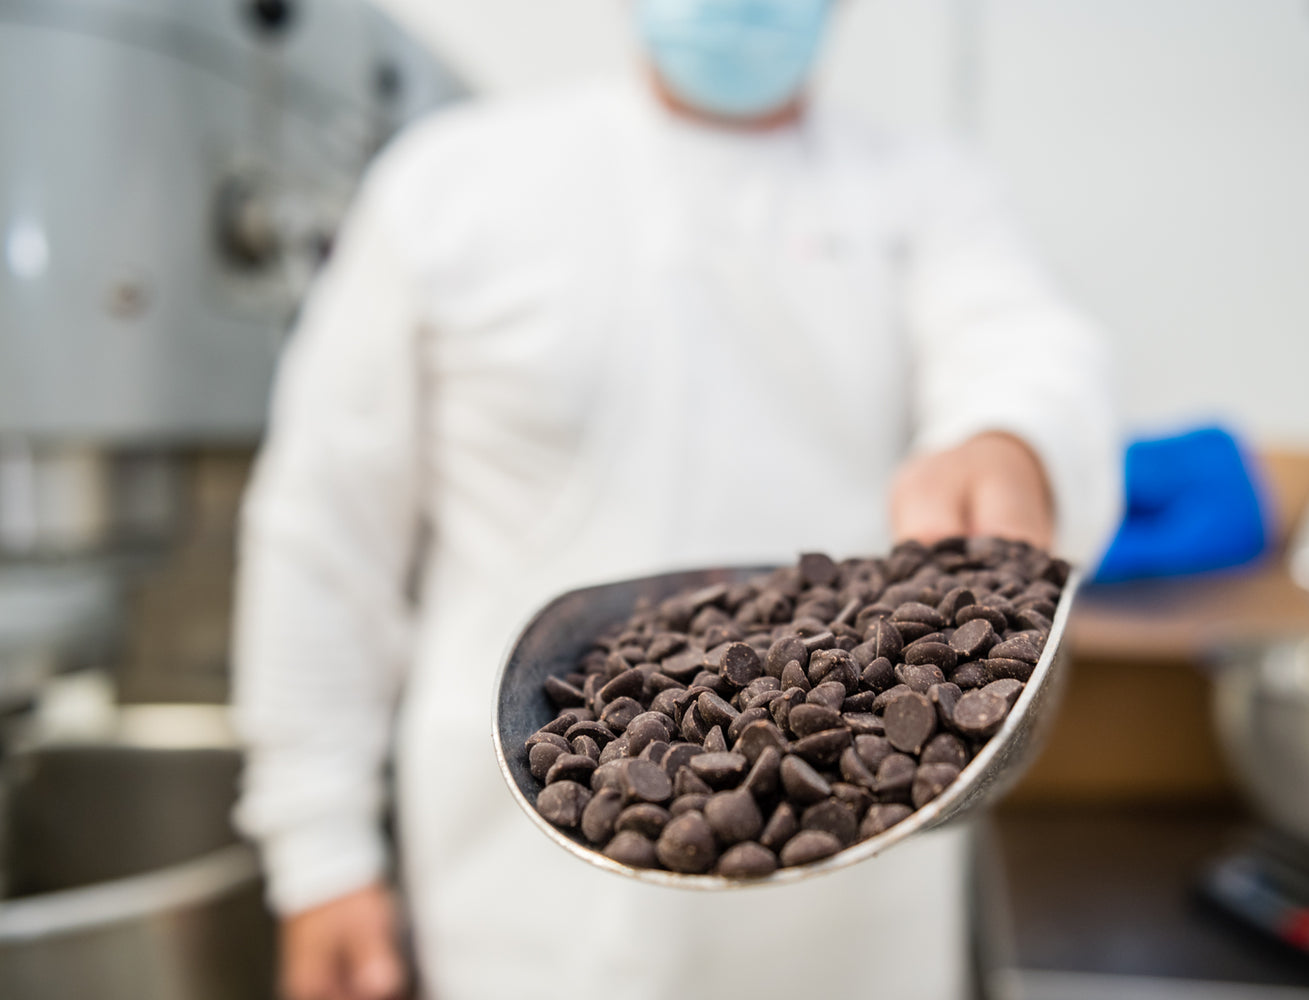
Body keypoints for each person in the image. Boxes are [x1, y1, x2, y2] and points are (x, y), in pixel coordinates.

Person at [232, 2, 1121, 998]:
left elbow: (1025, 345)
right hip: (519, 907)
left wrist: (1012, 438)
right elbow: (321, 536)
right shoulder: (448, 183)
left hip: (849, 903)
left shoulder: (926, 190)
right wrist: (318, 855)